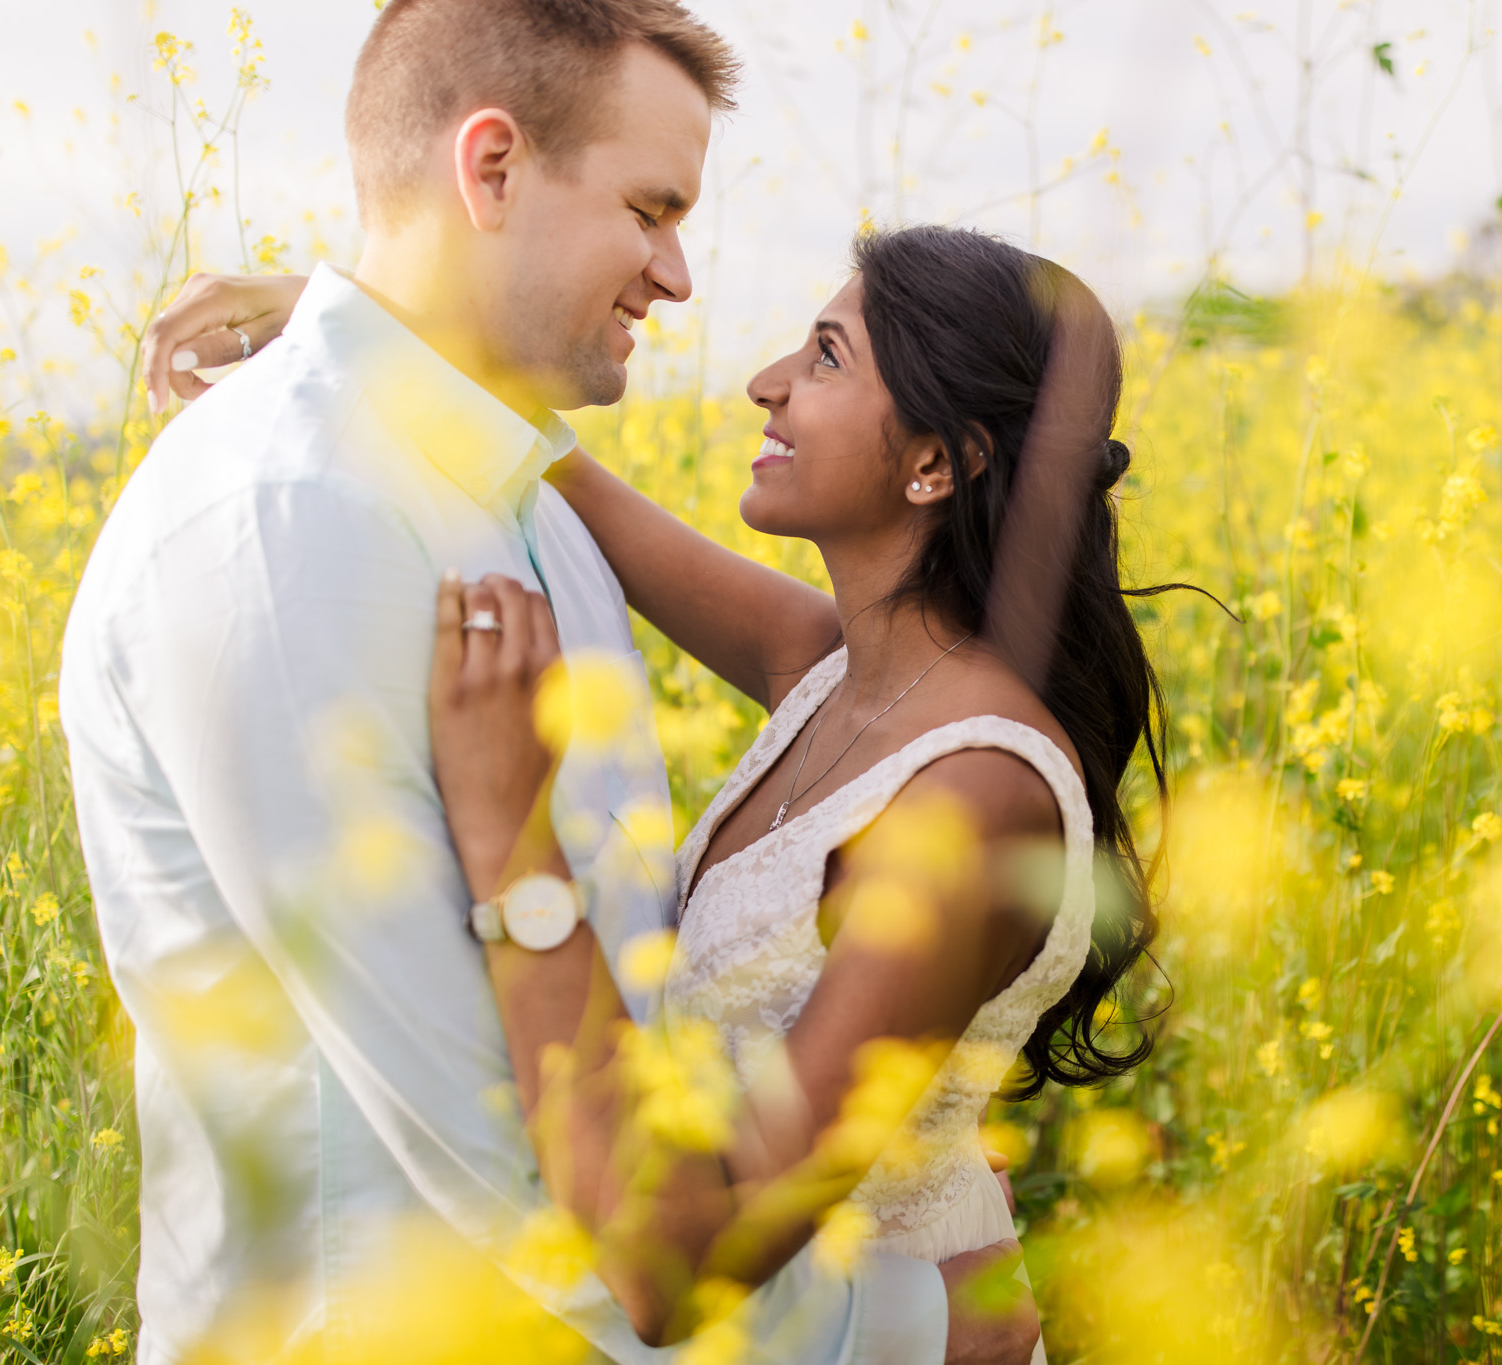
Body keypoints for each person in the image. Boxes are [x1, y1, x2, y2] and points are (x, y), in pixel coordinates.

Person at [64, 1, 1037, 1361]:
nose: (681, 277)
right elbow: (492, 1141)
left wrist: (360, 329)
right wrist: (903, 1326)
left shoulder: (530, 510)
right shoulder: (295, 516)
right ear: (493, 169)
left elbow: (615, 1032)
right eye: (651, 209)